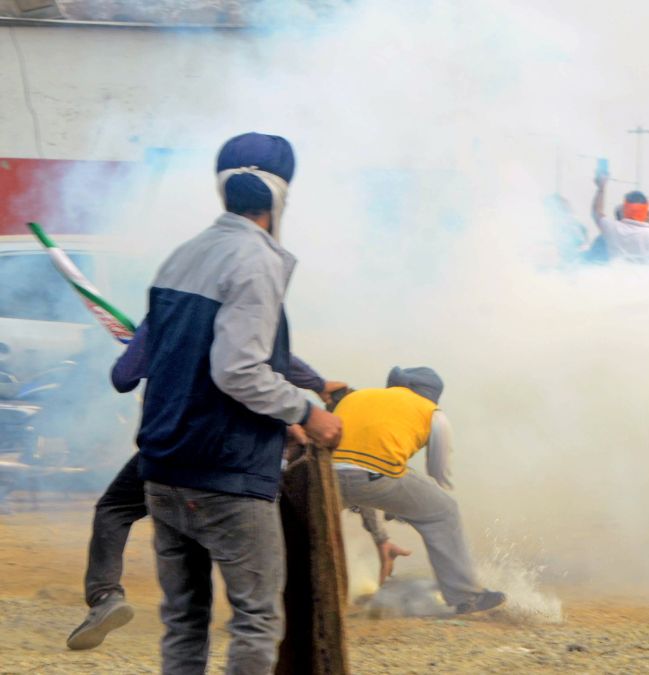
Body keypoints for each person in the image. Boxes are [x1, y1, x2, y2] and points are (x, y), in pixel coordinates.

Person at [136, 132, 343, 674]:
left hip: (163, 468)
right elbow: (237, 370)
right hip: (225, 473)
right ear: (280, 198)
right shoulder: (255, 259)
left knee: (184, 621)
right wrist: (305, 412)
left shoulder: (182, 255)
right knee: (256, 620)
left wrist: (281, 422)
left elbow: (175, 365)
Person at [66, 323, 348, 651]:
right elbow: (271, 366)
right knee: (239, 543)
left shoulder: (166, 317)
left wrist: (148, 345)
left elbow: (123, 378)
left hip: (174, 451)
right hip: (237, 457)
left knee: (116, 509)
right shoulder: (248, 318)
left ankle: (105, 596)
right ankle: (260, 620)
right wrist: (313, 390)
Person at [333, 366, 506, 615]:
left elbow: (350, 467)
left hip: (325, 476)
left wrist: (397, 508)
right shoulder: (432, 412)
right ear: (432, 393)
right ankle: (465, 596)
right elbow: (439, 475)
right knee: (443, 510)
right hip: (377, 477)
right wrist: (408, 507)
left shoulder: (355, 397)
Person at [590, 175, 649, 266]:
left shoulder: (613, 228)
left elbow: (596, 212)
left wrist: (601, 188)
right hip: (644, 279)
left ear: (625, 210)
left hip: (615, 278)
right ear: (646, 212)